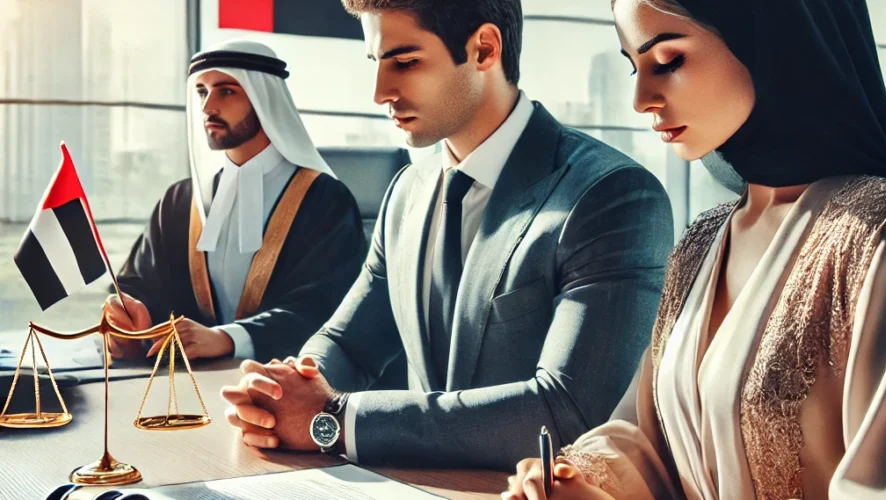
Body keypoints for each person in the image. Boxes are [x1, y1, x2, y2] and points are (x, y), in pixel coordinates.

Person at [220, 0, 674, 469]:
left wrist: (335, 417)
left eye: (405, 62)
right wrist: (282, 393)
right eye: (376, 63)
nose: (380, 92)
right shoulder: (405, 193)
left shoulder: (611, 196)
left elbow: (568, 414)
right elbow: (350, 343)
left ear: (483, 49)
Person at [506, 0, 886, 498]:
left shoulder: (882, 236)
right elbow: (649, 440)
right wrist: (576, 483)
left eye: (668, 61)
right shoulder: (703, 241)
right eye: (634, 66)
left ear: (773, 42)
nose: (641, 99)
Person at [104, 40, 367, 363]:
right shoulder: (180, 200)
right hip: (184, 390)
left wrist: (225, 339)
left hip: (285, 387)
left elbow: (325, 305)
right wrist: (133, 320)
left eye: (226, 91)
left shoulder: (325, 200)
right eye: (202, 91)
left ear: (264, 99)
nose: (207, 107)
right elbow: (142, 285)